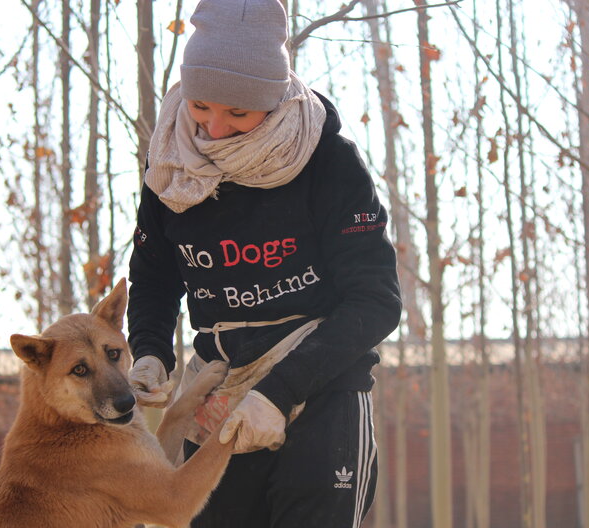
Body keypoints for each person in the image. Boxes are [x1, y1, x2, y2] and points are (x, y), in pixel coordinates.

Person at [126, 0, 401, 526]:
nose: (214, 128)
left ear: (273, 104)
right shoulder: (168, 164)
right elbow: (155, 275)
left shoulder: (327, 159)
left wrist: (278, 393)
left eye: (238, 113)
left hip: (323, 390)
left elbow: (377, 300)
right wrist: (151, 351)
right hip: (219, 393)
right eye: (201, 105)